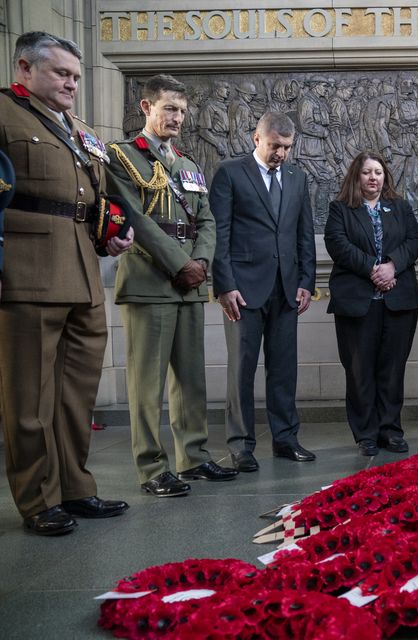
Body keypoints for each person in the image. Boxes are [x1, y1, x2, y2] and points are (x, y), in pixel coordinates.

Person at [0, 32, 134, 535]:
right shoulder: (4, 114)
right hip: (27, 271)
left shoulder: (78, 128)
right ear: (24, 68)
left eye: (76, 76)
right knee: (29, 399)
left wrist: (110, 234)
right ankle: (38, 499)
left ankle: (76, 489)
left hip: (81, 270)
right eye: (61, 73)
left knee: (76, 396)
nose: (71, 84)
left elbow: (91, 198)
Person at [107, 74, 237, 498]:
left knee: (191, 380)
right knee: (147, 384)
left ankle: (194, 456)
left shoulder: (188, 165)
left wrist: (200, 262)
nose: (177, 117)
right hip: (150, 282)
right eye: (169, 109)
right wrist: (181, 263)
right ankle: (152, 467)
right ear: (146, 108)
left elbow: (208, 221)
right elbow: (135, 217)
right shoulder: (123, 158)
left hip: (189, 284)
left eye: (182, 111)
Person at [210, 112, 317, 471]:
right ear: (257, 139)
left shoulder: (297, 177)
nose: (281, 154)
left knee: (284, 368)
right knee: (242, 369)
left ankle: (286, 439)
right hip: (243, 290)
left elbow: (304, 235)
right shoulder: (230, 173)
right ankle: (241, 445)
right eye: (275, 146)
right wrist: (224, 285)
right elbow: (219, 234)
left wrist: (306, 282)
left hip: (286, 288)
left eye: (287, 147)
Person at [325, 152, 418, 456]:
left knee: (392, 370)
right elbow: (338, 245)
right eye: (367, 172)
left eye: (378, 172)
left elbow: (414, 242)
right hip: (357, 302)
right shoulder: (340, 209)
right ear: (357, 176)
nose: (373, 178)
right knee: (359, 370)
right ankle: (366, 433)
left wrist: (392, 266)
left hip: (398, 301)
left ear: (385, 177)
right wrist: (372, 269)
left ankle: (390, 430)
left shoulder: (401, 208)